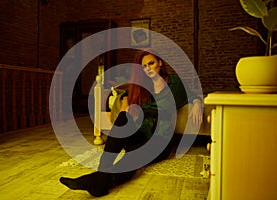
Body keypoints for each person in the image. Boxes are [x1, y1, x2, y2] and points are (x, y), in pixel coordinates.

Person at [59, 50, 203, 197]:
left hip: (160, 140)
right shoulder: (142, 86)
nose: (147, 68)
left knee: (133, 156)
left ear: (160, 63)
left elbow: (194, 95)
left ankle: (100, 182)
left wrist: (197, 104)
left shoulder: (175, 83)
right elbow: (126, 96)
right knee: (122, 118)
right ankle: (102, 171)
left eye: (151, 63)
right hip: (140, 133)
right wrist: (126, 107)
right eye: (144, 66)